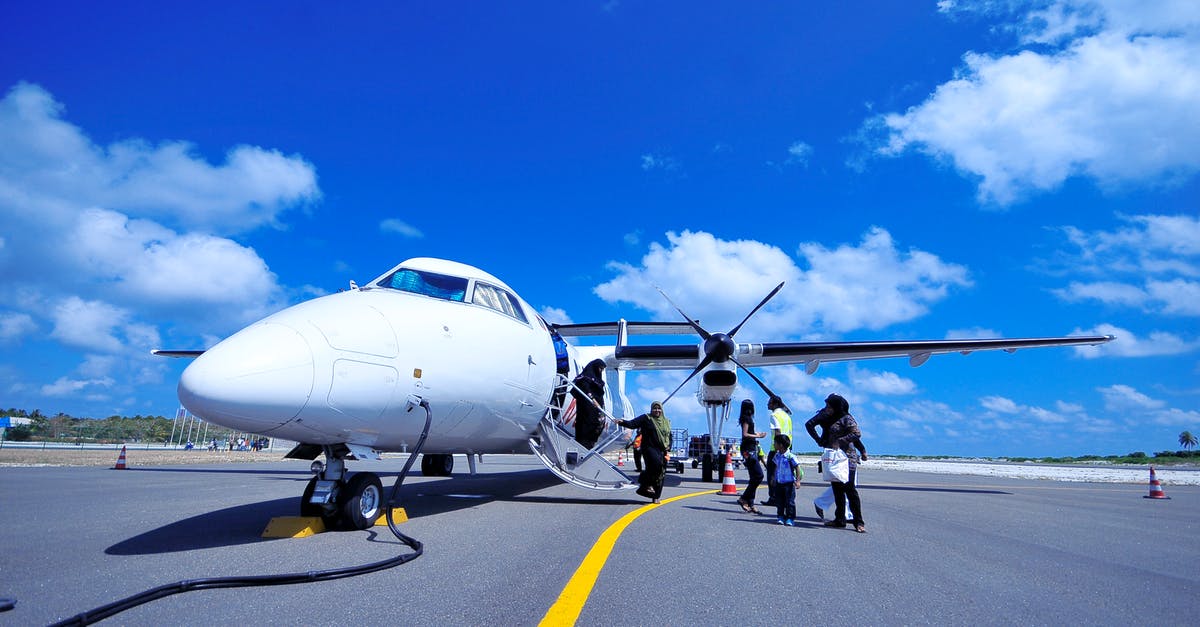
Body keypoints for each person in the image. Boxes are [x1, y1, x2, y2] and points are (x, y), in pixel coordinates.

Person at [805, 394, 868, 522]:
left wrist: (860, 449)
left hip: (847, 457)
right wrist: (819, 440)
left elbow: (855, 434)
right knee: (838, 489)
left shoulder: (846, 418)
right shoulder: (825, 415)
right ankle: (840, 519)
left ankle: (857, 520)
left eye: (829, 406)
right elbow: (809, 424)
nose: (826, 408)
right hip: (833, 456)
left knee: (849, 488)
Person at [617, 401, 672, 503]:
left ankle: (655, 495)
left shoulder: (666, 421)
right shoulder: (646, 418)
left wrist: (669, 447)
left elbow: (669, 435)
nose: (657, 410)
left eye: (659, 408)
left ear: (662, 410)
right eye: (654, 408)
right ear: (651, 409)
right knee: (656, 465)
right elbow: (633, 424)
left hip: (662, 449)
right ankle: (644, 481)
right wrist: (622, 422)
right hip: (649, 448)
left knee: (661, 472)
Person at [735, 399, 767, 514]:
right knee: (759, 475)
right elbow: (745, 434)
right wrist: (757, 435)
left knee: (754, 477)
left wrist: (756, 435)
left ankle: (750, 503)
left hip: (750, 449)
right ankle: (743, 498)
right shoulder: (746, 419)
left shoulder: (747, 418)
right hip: (748, 449)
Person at [761, 395, 793, 507]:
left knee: (772, 474)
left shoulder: (774, 415)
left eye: (769, 402)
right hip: (787, 448)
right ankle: (783, 497)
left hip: (776, 449)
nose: (767, 404)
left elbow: (777, 431)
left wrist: (778, 448)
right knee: (783, 474)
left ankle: (773, 497)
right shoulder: (786, 415)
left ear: (774, 404)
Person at [570, 359, 607, 449]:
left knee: (597, 425)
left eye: (602, 369)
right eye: (600, 368)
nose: (601, 371)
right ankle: (583, 445)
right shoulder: (585, 377)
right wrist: (593, 399)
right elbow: (585, 390)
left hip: (596, 410)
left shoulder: (598, 380)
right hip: (587, 408)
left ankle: (590, 444)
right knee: (585, 426)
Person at [770, 434, 801, 526]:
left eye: (775, 443)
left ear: (781, 445)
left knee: (789, 502)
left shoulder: (790, 456)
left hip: (789, 483)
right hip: (779, 482)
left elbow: (797, 468)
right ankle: (780, 516)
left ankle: (790, 518)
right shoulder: (777, 456)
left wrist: (798, 481)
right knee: (779, 501)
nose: (774, 445)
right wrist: (773, 478)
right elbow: (776, 467)